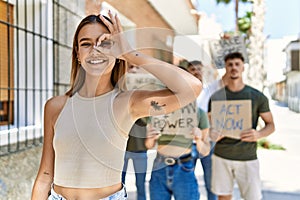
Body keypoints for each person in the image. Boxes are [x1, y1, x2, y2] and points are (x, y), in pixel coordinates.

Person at [31, 12, 202, 200]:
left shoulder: (127, 103)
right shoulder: (55, 106)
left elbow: (192, 87)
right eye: (86, 44)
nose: (95, 50)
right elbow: (45, 176)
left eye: (105, 43)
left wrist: (130, 54)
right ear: (77, 54)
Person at [208, 52, 275, 200]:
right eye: (230, 64)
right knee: (223, 197)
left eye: (237, 64)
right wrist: (211, 134)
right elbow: (208, 126)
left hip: (247, 157)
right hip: (221, 156)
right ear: (225, 67)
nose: (233, 67)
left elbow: (271, 125)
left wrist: (259, 134)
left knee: (252, 197)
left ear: (243, 67)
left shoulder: (257, 96)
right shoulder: (216, 97)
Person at [145, 79, 211, 200]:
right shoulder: (157, 113)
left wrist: (199, 139)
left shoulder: (198, 114)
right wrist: (150, 138)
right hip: (159, 166)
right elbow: (149, 145)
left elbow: (205, 150)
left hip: (184, 167)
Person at [187, 60, 218, 200]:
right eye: (192, 69)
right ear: (187, 73)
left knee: (211, 182)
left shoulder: (209, 91)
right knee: (186, 183)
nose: (196, 72)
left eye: (199, 69)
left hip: (206, 142)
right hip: (187, 144)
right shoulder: (181, 93)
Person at [122, 118, 148, 200]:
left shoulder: (143, 106)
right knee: (119, 184)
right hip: (122, 150)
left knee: (140, 184)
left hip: (140, 148)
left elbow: (146, 121)